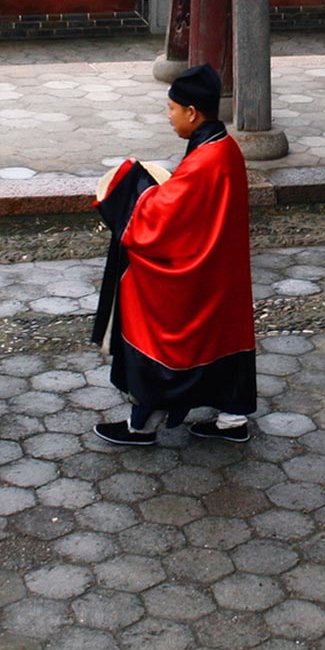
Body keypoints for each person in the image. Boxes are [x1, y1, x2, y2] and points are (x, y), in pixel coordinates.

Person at [89, 64, 256, 446]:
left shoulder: (204, 161)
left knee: (146, 304)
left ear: (192, 113)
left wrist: (131, 184)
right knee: (223, 338)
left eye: (171, 109)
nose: (169, 118)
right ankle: (232, 419)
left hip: (199, 276)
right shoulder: (225, 148)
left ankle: (143, 423)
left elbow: (158, 220)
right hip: (220, 271)